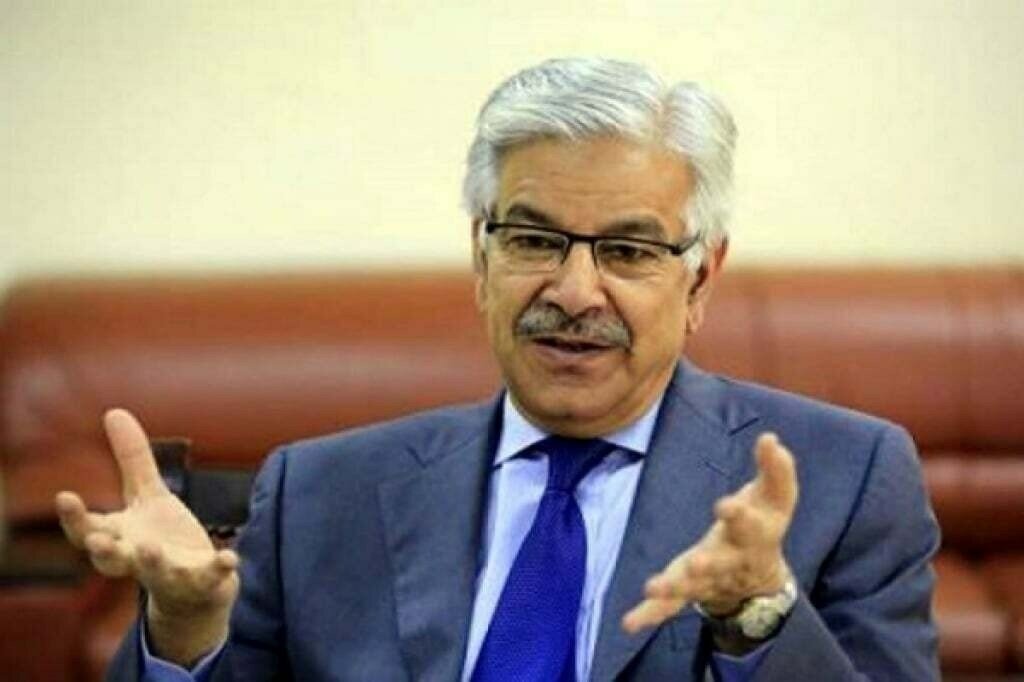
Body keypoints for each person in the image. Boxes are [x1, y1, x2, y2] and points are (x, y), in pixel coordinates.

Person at [56, 58, 940, 681]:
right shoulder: (317, 493)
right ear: (482, 260)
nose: (575, 290)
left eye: (629, 250)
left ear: (700, 279)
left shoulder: (847, 478)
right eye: (534, 239)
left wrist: (756, 613)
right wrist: (183, 628)